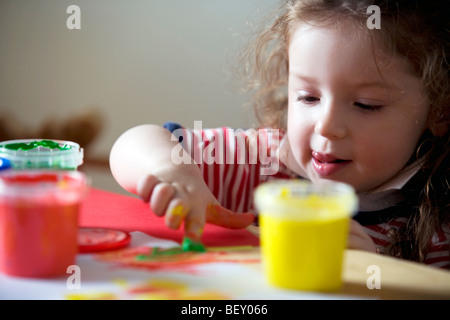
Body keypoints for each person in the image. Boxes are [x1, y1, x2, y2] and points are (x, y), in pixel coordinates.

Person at [110, 0, 449, 268]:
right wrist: (172, 171)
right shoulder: (261, 162)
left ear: (439, 110)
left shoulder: (439, 233)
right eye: (308, 97)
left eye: (365, 105)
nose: (326, 125)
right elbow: (133, 142)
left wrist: (375, 279)